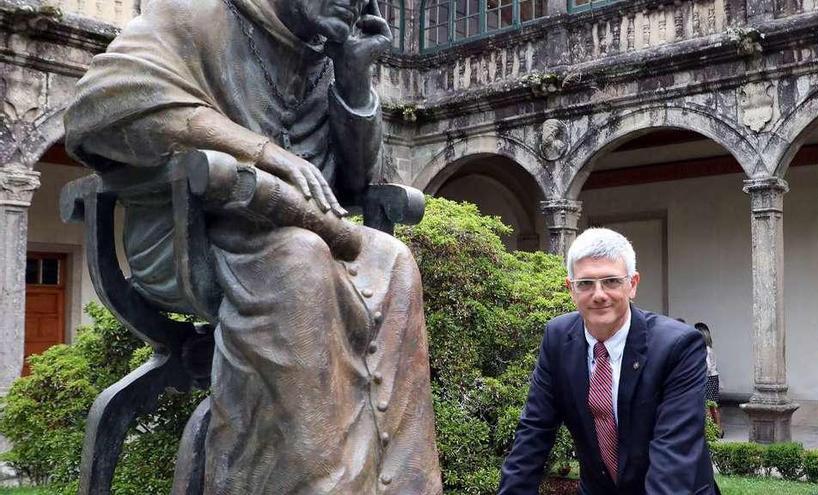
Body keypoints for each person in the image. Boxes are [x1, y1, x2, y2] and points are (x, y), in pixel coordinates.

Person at [64, 0, 443, 493]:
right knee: (298, 259)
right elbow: (95, 108)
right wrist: (260, 151)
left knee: (393, 259)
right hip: (190, 239)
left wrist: (353, 80)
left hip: (309, 233)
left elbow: (356, 180)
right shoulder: (197, 14)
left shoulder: (324, 55)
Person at [498, 228, 717, 495]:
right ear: (571, 288)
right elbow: (533, 434)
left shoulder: (677, 346)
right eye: (586, 283)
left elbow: (674, 456)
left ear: (632, 284)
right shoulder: (557, 338)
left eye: (611, 281)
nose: (599, 294)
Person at [696, 322, 723, 437]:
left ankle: (710, 431)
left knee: (707, 405)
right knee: (714, 405)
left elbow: (706, 367)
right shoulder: (710, 349)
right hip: (714, 378)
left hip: (707, 378)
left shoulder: (704, 350)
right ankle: (719, 429)